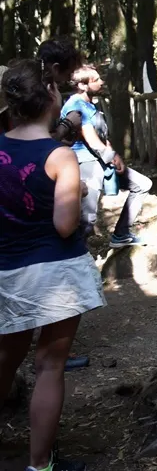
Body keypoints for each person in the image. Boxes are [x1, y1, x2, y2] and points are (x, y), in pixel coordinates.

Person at [0, 60, 105, 471]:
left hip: (7, 268)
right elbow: (64, 226)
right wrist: (77, 202)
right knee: (49, 366)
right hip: (54, 271)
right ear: (49, 97)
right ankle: (39, 464)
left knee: (6, 358)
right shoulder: (60, 155)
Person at [61, 65, 152, 247]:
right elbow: (91, 139)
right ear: (82, 85)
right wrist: (110, 156)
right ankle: (74, 259)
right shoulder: (75, 106)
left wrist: (114, 154)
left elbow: (102, 136)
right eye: (95, 80)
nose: (101, 82)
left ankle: (121, 234)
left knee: (142, 184)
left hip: (102, 160)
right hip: (85, 164)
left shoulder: (90, 104)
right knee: (87, 220)